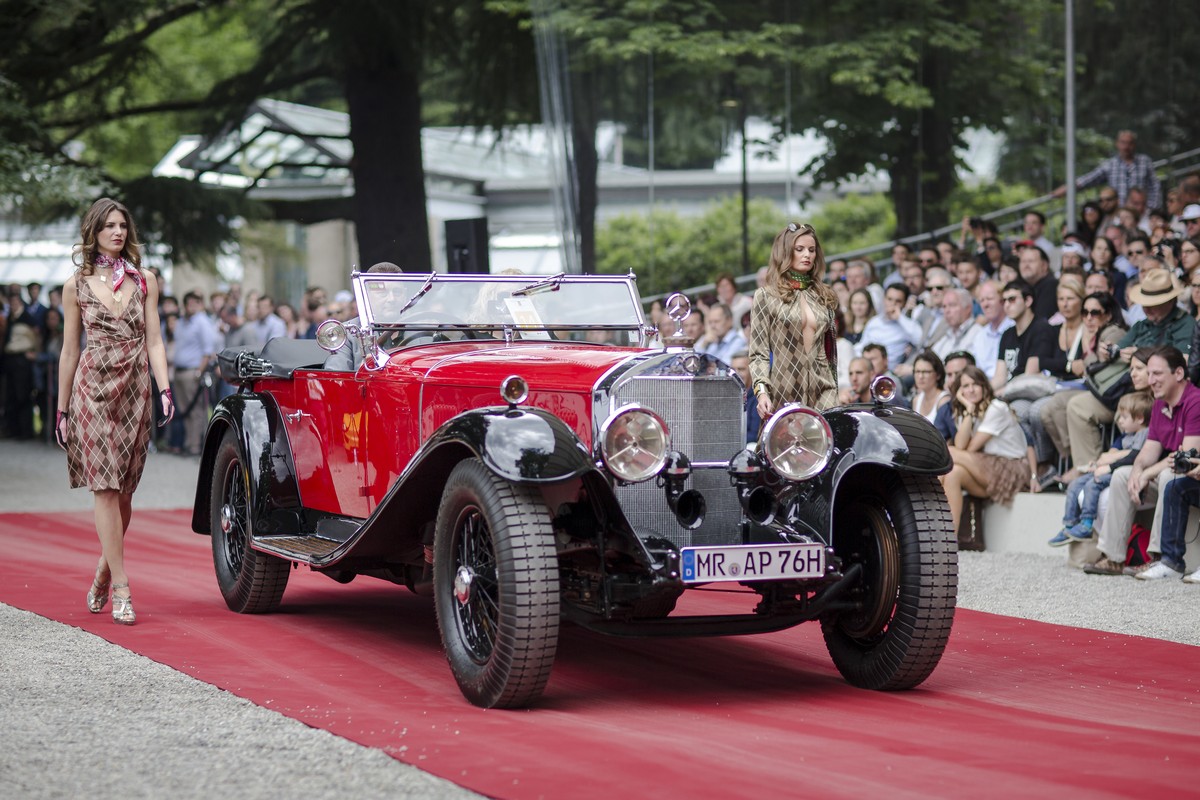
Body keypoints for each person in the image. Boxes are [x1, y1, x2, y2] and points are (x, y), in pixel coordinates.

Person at [55, 198, 175, 626]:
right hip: (91, 388)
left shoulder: (144, 279)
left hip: (135, 388)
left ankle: (105, 568)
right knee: (104, 486)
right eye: (108, 226)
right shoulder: (75, 285)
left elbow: (155, 340)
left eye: (122, 225)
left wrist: (164, 388)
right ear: (94, 231)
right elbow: (70, 350)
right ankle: (122, 586)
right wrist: (62, 408)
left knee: (125, 493)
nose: (118, 232)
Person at [1085, 346, 1200, 576]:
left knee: (1169, 475)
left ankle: (1158, 557)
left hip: (1186, 478)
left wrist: (1147, 473)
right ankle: (1113, 557)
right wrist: (1138, 470)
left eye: (1157, 374)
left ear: (1178, 373)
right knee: (1122, 475)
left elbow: (1187, 457)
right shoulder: (1159, 403)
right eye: (1149, 374)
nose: (1151, 380)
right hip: (1168, 474)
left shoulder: (1194, 401)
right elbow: (1149, 449)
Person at [749, 223, 841, 417]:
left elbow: (830, 352)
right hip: (784, 389)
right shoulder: (766, 296)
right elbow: (758, 353)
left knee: (829, 436)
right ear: (785, 252)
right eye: (799, 249)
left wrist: (836, 391)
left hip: (824, 389)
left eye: (811, 250)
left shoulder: (824, 295)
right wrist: (762, 392)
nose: (807, 255)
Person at [1048, 390, 1151, 547]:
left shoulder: (1144, 434)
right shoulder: (1127, 434)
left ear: (1140, 418)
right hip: (1110, 468)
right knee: (1075, 484)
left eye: (1124, 417)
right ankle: (1069, 525)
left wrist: (1109, 464)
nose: (1120, 421)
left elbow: (1135, 456)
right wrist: (1098, 464)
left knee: (1092, 484)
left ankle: (1086, 523)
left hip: (1122, 472)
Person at [1040, 291, 1127, 474]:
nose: (1088, 318)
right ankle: (1075, 458)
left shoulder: (1113, 333)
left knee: (1074, 405)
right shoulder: (1094, 333)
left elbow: (1092, 367)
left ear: (1108, 315)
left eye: (1094, 313)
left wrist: (1089, 346)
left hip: (1113, 396)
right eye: (1085, 312)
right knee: (1049, 409)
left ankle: (1086, 467)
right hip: (1097, 391)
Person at [940, 365, 1031, 532]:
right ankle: (949, 538)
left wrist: (969, 411)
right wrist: (968, 410)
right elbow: (961, 445)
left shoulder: (996, 408)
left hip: (1011, 469)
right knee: (953, 473)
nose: (971, 390)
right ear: (959, 392)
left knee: (950, 452)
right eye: (965, 386)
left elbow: (969, 448)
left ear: (984, 386)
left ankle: (924, 498)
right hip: (987, 469)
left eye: (975, 384)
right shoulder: (967, 411)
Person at [1054, 130, 1162, 210]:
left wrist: (1152, 207)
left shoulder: (1145, 161)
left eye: (1130, 143)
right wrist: (1069, 187)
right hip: (1118, 212)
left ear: (1134, 145)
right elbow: (1090, 178)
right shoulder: (1110, 164)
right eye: (1123, 142)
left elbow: (1154, 186)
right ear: (1117, 144)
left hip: (1141, 211)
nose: (1126, 147)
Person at [910, 351, 950, 423]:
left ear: (938, 375)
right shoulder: (916, 400)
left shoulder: (944, 401)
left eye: (926, 372)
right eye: (917, 371)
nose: (920, 376)